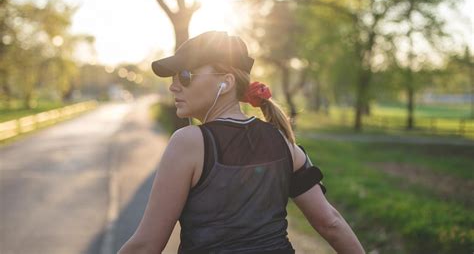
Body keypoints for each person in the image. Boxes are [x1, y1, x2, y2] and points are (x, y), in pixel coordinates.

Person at [117, 31, 365, 254]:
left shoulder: (188, 142)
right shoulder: (284, 142)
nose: (173, 86)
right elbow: (330, 223)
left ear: (226, 82)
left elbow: (147, 245)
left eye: (185, 75)